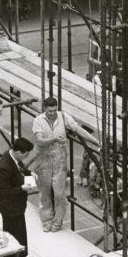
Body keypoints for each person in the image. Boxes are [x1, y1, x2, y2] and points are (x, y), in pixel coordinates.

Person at [31, 96, 81, 232]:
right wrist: (54, 139)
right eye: (50, 111)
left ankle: (57, 221)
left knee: (59, 194)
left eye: (54, 110)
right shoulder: (38, 121)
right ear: (45, 109)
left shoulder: (63, 117)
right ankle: (46, 220)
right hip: (43, 160)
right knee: (44, 192)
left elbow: (77, 129)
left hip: (59, 161)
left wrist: (97, 142)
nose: (53, 113)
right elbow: (40, 141)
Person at [0, 136, 34, 257]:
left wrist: (29, 174)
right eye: (25, 154)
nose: (26, 157)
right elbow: (4, 191)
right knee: (12, 235)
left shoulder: (13, 158)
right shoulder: (4, 167)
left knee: (20, 231)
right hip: (9, 207)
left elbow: (21, 168)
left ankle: (21, 254)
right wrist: (21, 188)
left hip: (16, 206)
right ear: (19, 152)